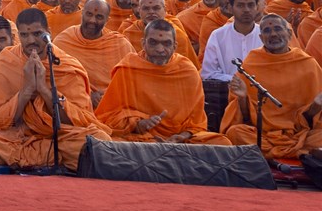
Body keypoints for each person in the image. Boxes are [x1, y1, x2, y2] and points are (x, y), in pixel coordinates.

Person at [0, 8, 112, 172]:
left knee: (100, 141)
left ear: (48, 33)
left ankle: (28, 159)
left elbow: (79, 119)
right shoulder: (7, 60)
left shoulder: (66, 65)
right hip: (19, 135)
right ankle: (54, 159)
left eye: (37, 34)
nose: (31, 41)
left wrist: (43, 89)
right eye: (24, 35)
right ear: (18, 36)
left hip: (59, 136)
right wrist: (26, 91)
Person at [95, 21, 231, 145]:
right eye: (153, 43)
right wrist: (138, 124)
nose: (160, 49)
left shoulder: (186, 70)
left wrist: (181, 136)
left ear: (175, 46)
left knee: (222, 143)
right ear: (143, 43)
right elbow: (108, 116)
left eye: (166, 43)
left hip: (181, 140)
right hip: (141, 138)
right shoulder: (128, 68)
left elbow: (196, 123)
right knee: (105, 141)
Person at [221, 14, 322, 160]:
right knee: (235, 133)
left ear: (288, 33)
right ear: (261, 38)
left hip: (300, 134)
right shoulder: (251, 63)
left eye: (277, 28)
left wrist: (316, 107)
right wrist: (242, 98)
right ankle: (300, 153)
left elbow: (314, 120)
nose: (273, 34)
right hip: (263, 135)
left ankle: (267, 155)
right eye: (267, 31)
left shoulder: (308, 64)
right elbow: (245, 117)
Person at [53, 0, 135, 106]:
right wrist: (85, 95)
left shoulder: (120, 44)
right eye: (89, 14)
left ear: (107, 20)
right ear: (82, 13)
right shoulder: (64, 41)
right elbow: (55, 79)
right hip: (76, 105)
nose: (92, 20)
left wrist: (108, 95)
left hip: (112, 106)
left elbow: (131, 81)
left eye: (99, 17)